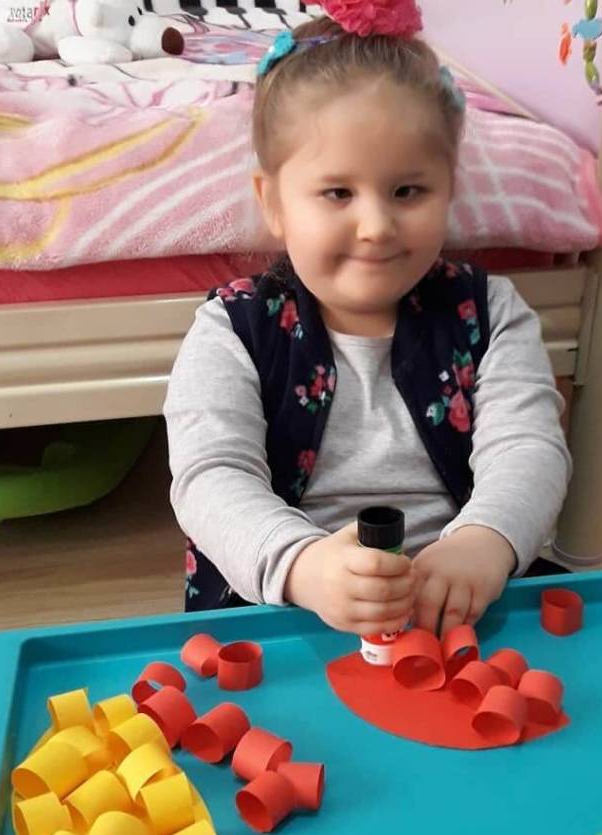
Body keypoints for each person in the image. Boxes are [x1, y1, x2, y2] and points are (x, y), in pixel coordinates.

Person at [164, 0, 571, 641]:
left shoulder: (493, 314)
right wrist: (303, 565)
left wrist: (485, 542)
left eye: (408, 191)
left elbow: (529, 450)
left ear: (450, 187)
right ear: (273, 202)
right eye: (337, 193)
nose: (376, 226)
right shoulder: (232, 330)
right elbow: (210, 479)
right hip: (282, 611)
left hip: (463, 605)